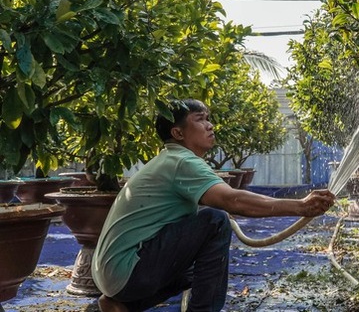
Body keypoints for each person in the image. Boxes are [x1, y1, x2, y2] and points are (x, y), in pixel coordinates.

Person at [92, 98, 335, 312]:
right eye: (200, 120)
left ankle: (123, 306)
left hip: (114, 275)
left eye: (208, 119)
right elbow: (232, 200)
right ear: (178, 133)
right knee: (215, 220)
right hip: (128, 271)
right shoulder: (181, 161)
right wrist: (300, 206)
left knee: (203, 272)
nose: (210, 125)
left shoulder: (170, 159)